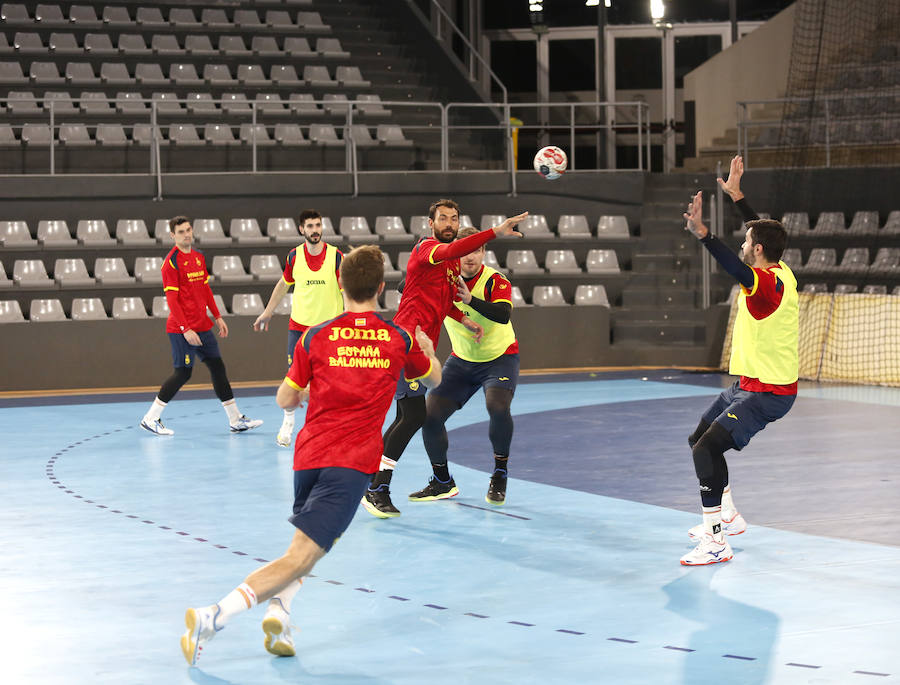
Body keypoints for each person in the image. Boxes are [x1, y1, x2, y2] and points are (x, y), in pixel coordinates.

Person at [180, 245, 442, 665]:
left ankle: (279, 614)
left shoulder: (314, 336)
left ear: (340, 284)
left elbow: (285, 399)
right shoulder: (398, 338)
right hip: (350, 463)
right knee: (304, 554)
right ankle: (213, 617)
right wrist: (428, 349)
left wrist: (302, 389)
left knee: (307, 545)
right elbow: (433, 378)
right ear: (380, 288)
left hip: (308, 456)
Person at [361, 200, 528, 518]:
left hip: (462, 353)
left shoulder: (465, 272)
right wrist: (496, 231)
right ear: (431, 223)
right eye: (443, 218)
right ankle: (377, 488)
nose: (448, 223)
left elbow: (445, 299)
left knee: (410, 416)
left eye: (454, 219)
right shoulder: (428, 249)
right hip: (410, 343)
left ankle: (381, 483)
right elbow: (445, 257)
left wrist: (465, 319)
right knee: (414, 417)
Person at [679, 155, 798, 566]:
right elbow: (762, 232)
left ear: (758, 251)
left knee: (706, 450)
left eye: (747, 242)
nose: (743, 245)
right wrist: (737, 197)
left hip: (770, 392)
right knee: (699, 440)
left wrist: (704, 234)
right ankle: (726, 514)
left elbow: (735, 267)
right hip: (749, 384)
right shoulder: (782, 269)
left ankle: (715, 541)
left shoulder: (763, 285)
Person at [409, 226, 520, 506]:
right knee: (429, 418)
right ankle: (442, 481)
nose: (470, 257)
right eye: (465, 251)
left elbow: (503, 315)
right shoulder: (443, 278)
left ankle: (500, 473)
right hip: (462, 360)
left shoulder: (495, 280)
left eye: (476, 251)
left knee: (497, 407)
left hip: (499, 358)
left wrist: (470, 300)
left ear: (483, 253)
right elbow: (408, 283)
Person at [140, 216, 262, 436]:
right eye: (181, 232)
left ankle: (235, 419)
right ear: (173, 235)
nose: (186, 234)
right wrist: (185, 329)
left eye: (188, 230)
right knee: (183, 373)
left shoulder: (198, 257)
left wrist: (218, 316)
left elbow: (205, 290)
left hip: (203, 326)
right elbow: (172, 301)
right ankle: (150, 418)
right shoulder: (171, 263)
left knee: (217, 367)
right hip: (181, 329)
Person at [253, 210, 344, 447]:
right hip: (299, 329)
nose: (315, 230)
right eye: (310, 226)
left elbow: (347, 292)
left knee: (327, 383)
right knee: (294, 379)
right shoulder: (294, 256)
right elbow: (284, 284)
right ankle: (288, 423)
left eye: (318, 225)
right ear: (301, 229)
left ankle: (324, 429)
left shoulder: (336, 257)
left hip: (328, 330)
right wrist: (268, 311)